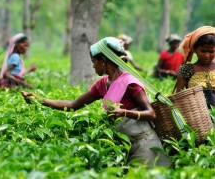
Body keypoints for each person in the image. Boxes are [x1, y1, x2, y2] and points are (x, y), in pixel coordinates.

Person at [21, 37, 170, 166]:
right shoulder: (102, 84)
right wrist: (39, 100)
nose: (93, 66)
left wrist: (123, 112)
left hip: (145, 144)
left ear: (103, 61)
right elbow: (73, 105)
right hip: (125, 145)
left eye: (94, 62)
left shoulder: (130, 83)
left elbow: (150, 113)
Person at [175, 26, 215, 109]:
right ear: (195, 49)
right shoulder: (187, 70)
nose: (207, 55)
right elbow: (178, 98)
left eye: (211, 52)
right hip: (197, 116)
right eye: (203, 51)